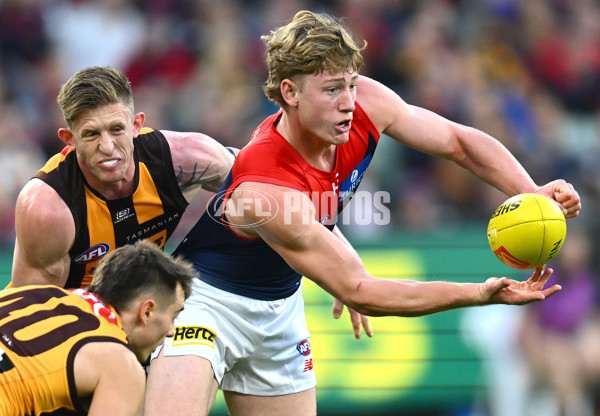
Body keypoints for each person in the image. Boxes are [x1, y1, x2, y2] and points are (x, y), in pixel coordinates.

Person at [145, 10, 582, 416]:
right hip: (206, 304)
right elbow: (360, 290)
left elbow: (458, 142)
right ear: (289, 92)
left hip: (280, 307)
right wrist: (479, 293)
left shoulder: (366, 104)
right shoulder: (264, 185)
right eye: (332, 89)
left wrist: (532, 191)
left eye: (351, 83)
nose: (349, 101)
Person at [10, 65, 235, 289]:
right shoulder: (48, 207)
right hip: (73, 316)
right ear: (69, 139)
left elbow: (259, 177)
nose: (107, 147)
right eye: (91, 134)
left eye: (116, 129)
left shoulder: (185, 159)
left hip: (146, 307)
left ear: (136, 125)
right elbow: (33, 310)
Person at [0, 239, 195, 416]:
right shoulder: (121, 364)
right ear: (147, 312)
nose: (172, 331)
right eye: (173, 317)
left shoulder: (37, 293)